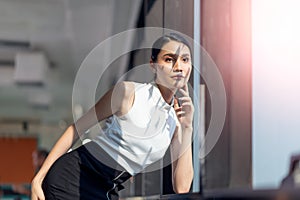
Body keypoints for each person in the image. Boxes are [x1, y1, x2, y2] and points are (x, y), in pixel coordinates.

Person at [31, 33, 194, 200]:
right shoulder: (128, 93)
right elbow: (76, 128)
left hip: (107, 189)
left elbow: (182, 187)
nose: (178, 67)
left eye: (185, 60)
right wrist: (39, 178)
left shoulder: (176, 122)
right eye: (169, 59)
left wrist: (187, 127)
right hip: (73, 177)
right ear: (153, 64)